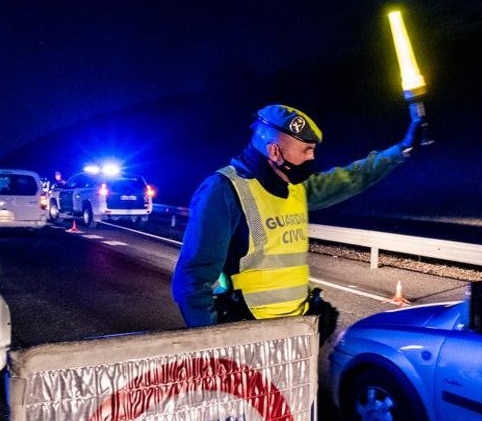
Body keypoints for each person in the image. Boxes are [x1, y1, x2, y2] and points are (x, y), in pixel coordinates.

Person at [172, 104, 426, 342]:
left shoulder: (297, 188)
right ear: (274, 151)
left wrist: (401, 150)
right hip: (248, 339)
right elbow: (193, 280)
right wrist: (216, 344)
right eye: (306, 150)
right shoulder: (223, 191)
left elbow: (352, 177)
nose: (313, 158)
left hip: (296, 337)